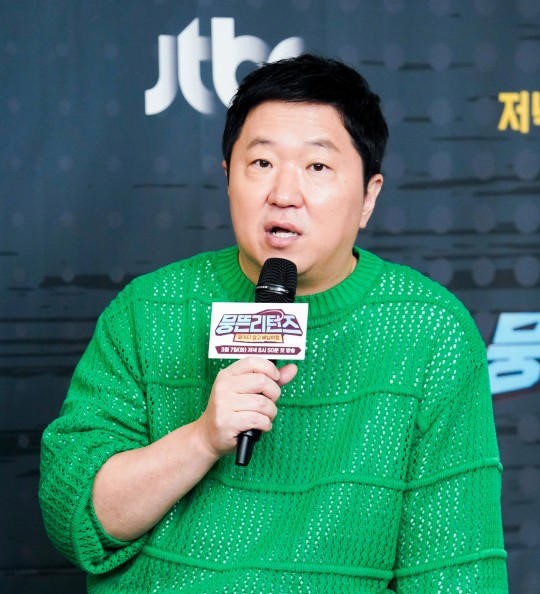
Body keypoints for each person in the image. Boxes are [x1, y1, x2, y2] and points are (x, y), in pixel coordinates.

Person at [40, 54, 508, 593]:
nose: (284, 194)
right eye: (261, 163)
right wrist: (201, 438)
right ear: (227, 177)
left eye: (317, 167)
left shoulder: (430, 330)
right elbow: (75, 517)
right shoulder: (150, 309)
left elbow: (458, 574)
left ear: (368, 196)